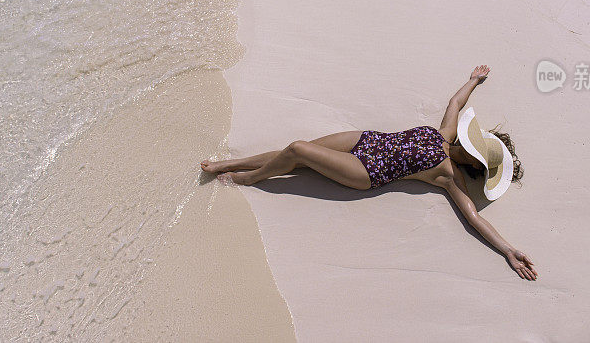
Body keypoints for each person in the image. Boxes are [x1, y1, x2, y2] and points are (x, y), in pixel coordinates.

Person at [201, 65, 537, 280]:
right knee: (297, 155)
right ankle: (229, 164)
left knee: (297, 149)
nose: (468, 145)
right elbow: (454, 104)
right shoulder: (446, 133)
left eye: (474, 152)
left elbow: (474, 217)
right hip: (366, 139)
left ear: (474, 165)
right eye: (474, 141)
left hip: (366, 171)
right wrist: (473, 80)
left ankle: (248, 178)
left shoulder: (450, 176)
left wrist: (508, 250)